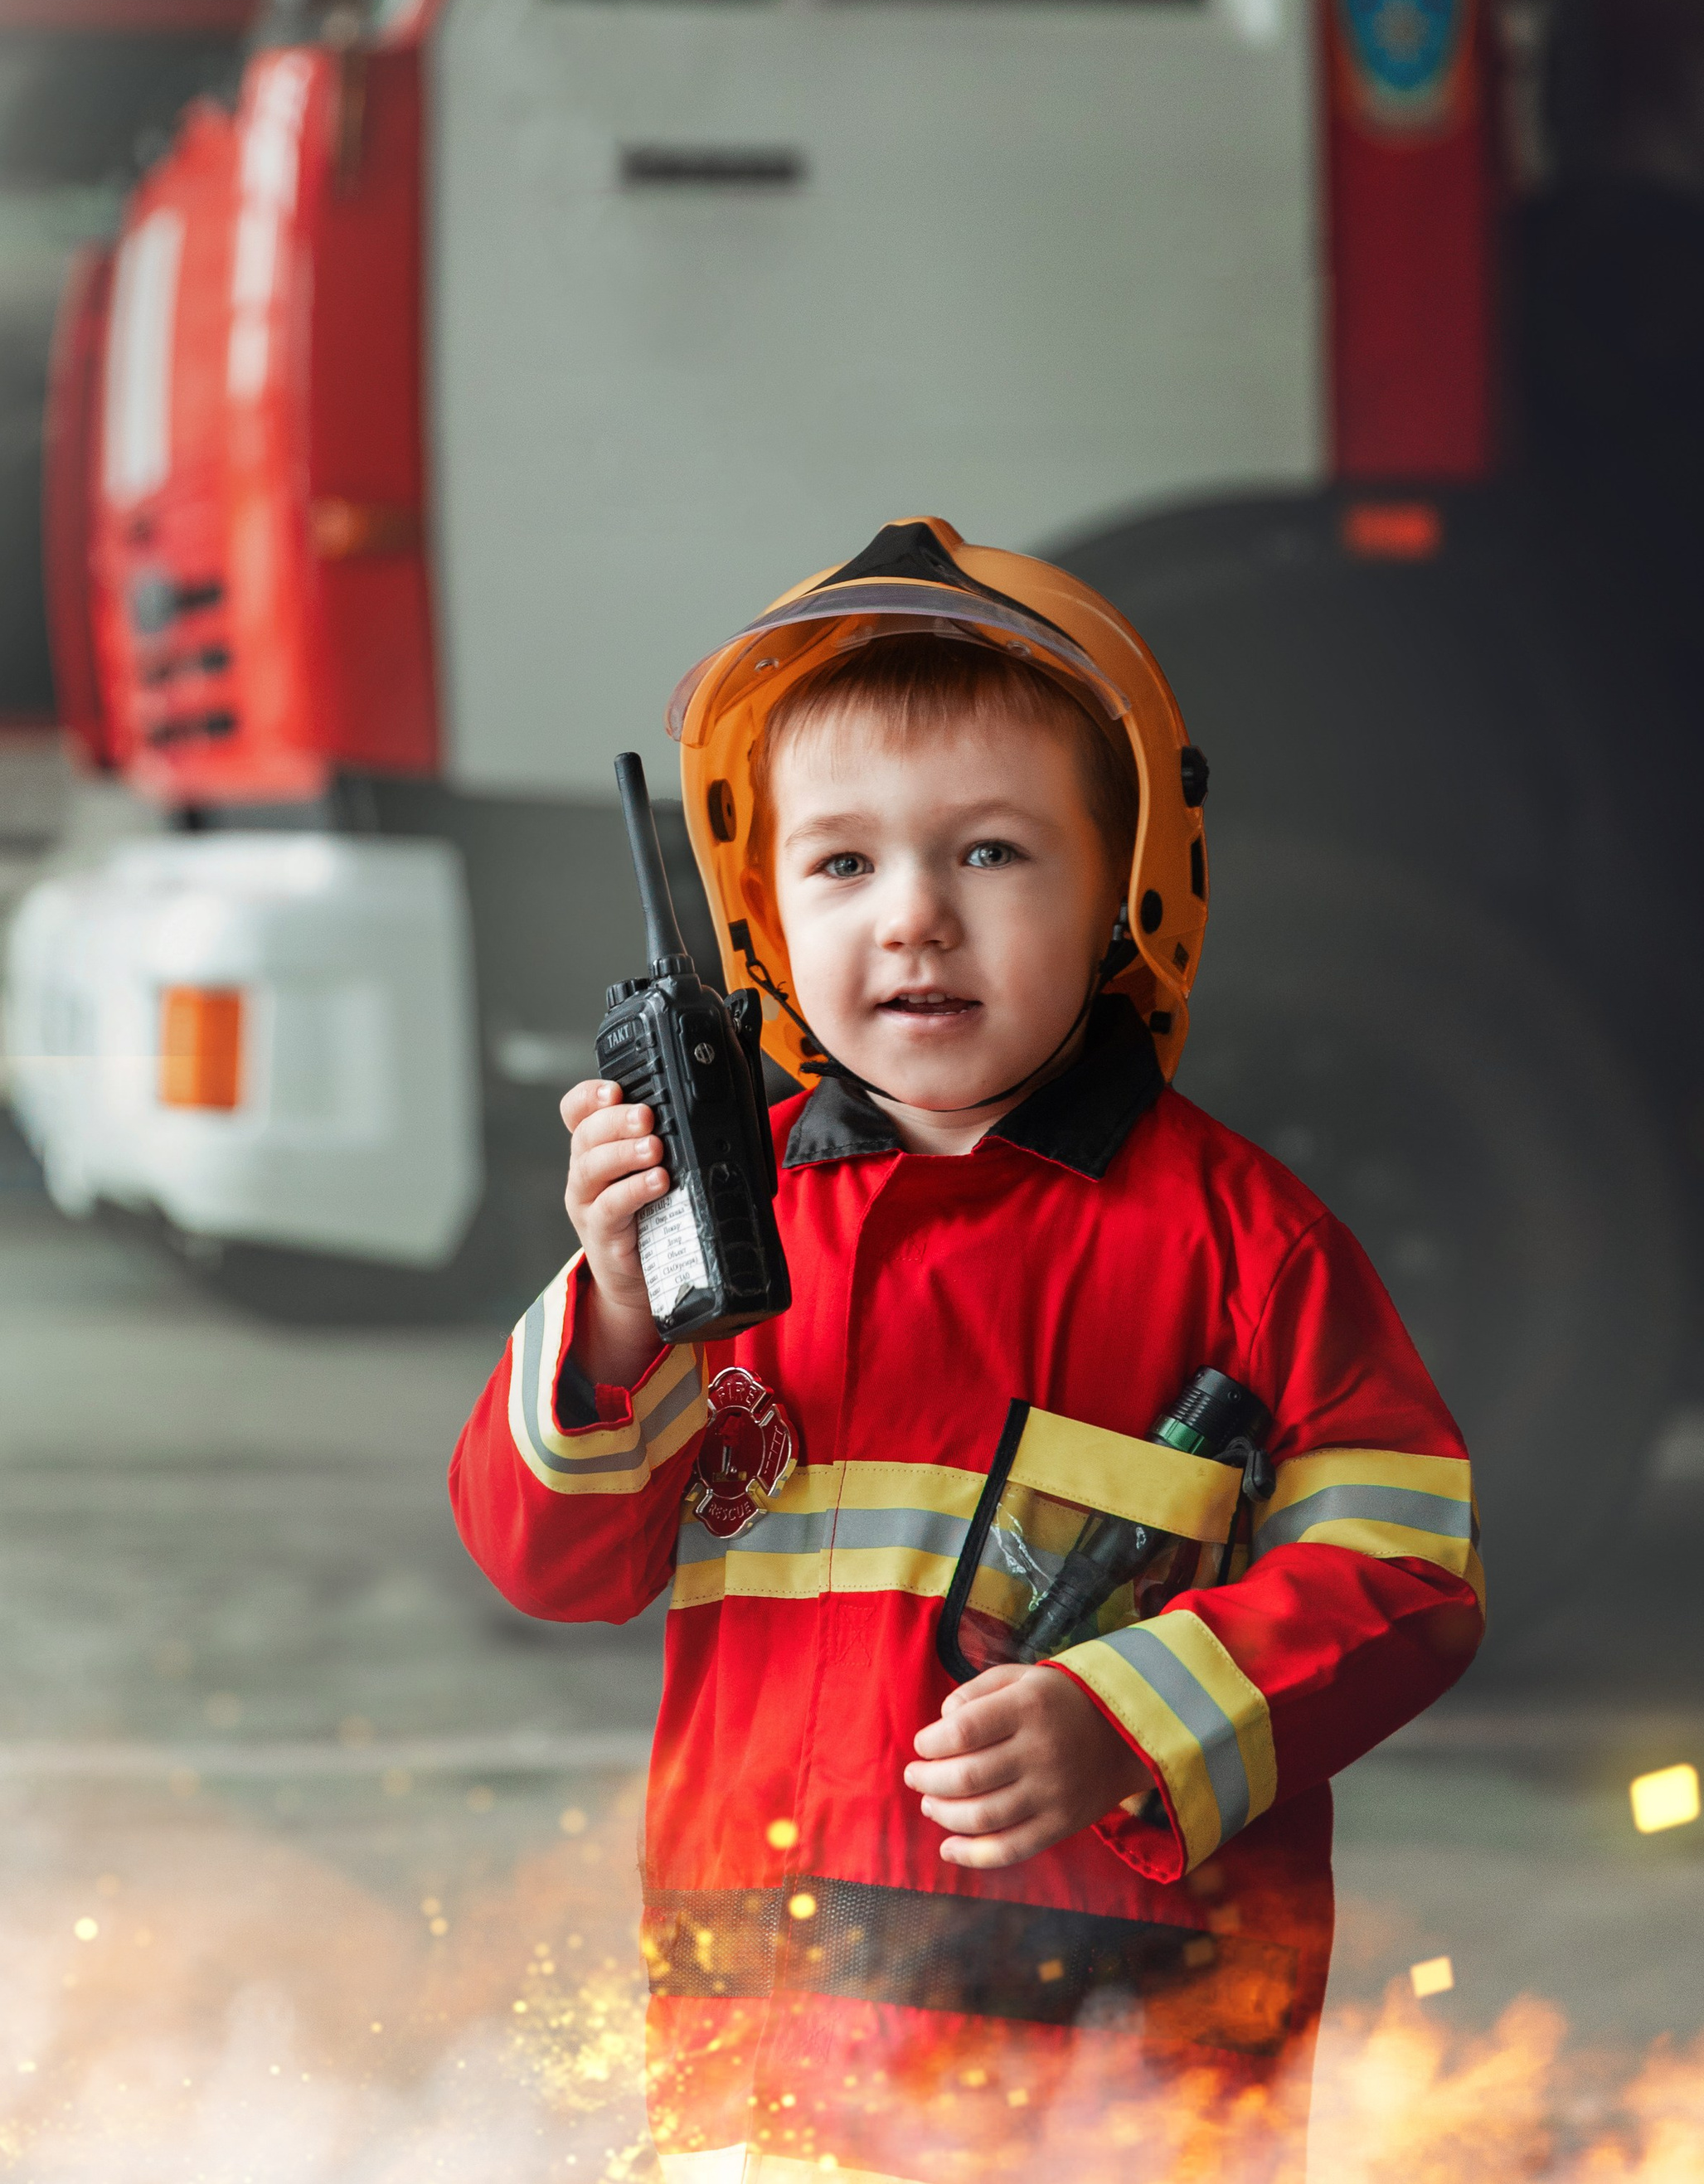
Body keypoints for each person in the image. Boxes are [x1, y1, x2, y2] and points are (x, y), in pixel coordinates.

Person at [449, 517, 1482, 2182]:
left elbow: (1406, 1572)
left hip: (1117, 2096)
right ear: (759, 909)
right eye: (841, 865)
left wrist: (1129, 1716)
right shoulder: (713, 1237)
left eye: (990, 852)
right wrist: (616, 1308)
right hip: (757, 2076)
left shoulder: (1247, 1247)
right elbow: (545, 1562)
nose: (914, 919)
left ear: (1128, 882)